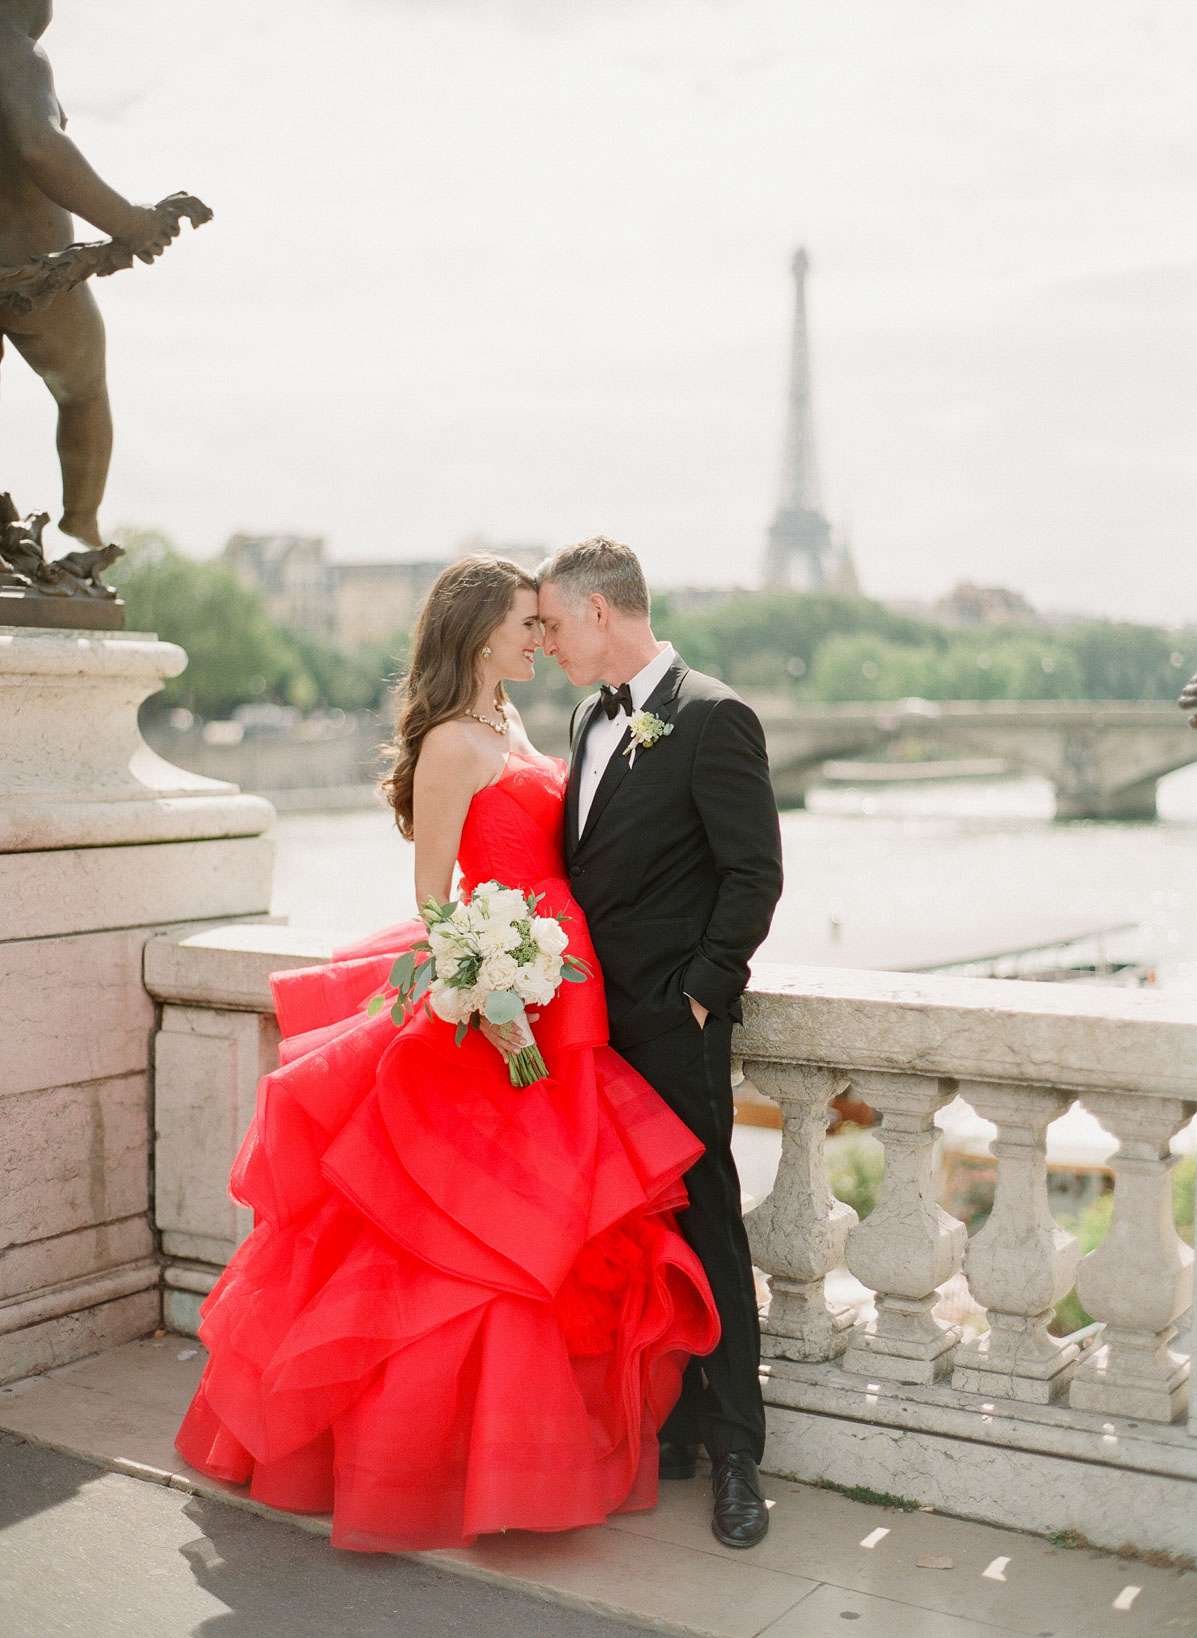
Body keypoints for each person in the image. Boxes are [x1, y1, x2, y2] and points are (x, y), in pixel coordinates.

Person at [176, 554, 721, 1554]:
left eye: (546, 624)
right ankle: (430, 1463)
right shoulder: (449, 744)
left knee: (550, 1221)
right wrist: (489, 992)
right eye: (527, 624)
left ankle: (525, 1452)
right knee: (471, 1234)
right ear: (480, 635)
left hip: (566, 985)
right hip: (502, 998)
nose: (541, 638)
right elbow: (434, 897)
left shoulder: (517, 723)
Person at [538, 536, 783, 1550]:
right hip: (590, 1031)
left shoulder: (715, 716)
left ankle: (736, 1454)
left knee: (709, 1226)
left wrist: (699, 998)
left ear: (600, 611)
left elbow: (754, 872)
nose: (546, 641)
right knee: (630, 1239)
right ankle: (669, 1429)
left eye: (554, 622)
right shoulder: (585, 718)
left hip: (672, 1030)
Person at [0, 0, 178, 549]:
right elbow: (40, 146)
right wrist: (129, 222)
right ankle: (81, 520)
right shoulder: (16, 53)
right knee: (83, 391)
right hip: (32, 273)